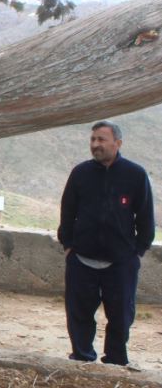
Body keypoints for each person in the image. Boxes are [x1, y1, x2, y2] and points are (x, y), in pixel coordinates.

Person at [58, 121, 155, 366]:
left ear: (117, 143)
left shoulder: (135, 174)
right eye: (93, 140)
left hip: (121, 262)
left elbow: (145, 217)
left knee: (121, 316)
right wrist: (68, 245)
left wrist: (137, 251)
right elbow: (67, 212)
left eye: (101, 140)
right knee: (79, 314)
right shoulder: (80, 173)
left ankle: (115, 360)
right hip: (81, 259)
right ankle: (82, 358)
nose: (95, 145)